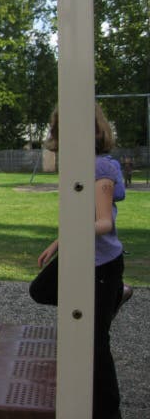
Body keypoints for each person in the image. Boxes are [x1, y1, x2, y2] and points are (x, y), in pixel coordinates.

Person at [29, 103, 132, 418]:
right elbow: (79, 217)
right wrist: (57, 245)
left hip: (101, 264)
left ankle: (108, 412)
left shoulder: (100, 167)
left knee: (96, 344)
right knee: (41, 290)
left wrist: (71, 235)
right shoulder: (75, 166)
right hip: (77, 254)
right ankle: (118, 294)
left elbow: (104, 223)